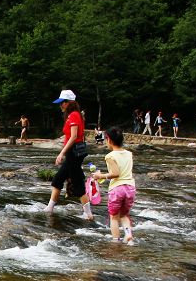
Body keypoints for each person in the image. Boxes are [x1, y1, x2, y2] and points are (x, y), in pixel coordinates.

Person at [46, 89, 93, 219]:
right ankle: (49, 208)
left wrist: (61, 153)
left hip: (73, 154)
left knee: (77, 182)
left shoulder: (73, 115)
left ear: (68, 103)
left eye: (62, 102)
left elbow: (73, 137)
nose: (60, 105)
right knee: (58, 179)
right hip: (74, 154)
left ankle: (88, 214)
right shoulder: (75, 115)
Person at [91, 126, 135, 243]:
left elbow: (115, 173)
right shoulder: (129, 154)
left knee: (114, 217)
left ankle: (116, 241)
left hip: (117, 189)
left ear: (109, 140)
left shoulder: (110, 156)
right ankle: (128, 234)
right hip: (130, 188)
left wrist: (100, 176)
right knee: (124, 215)